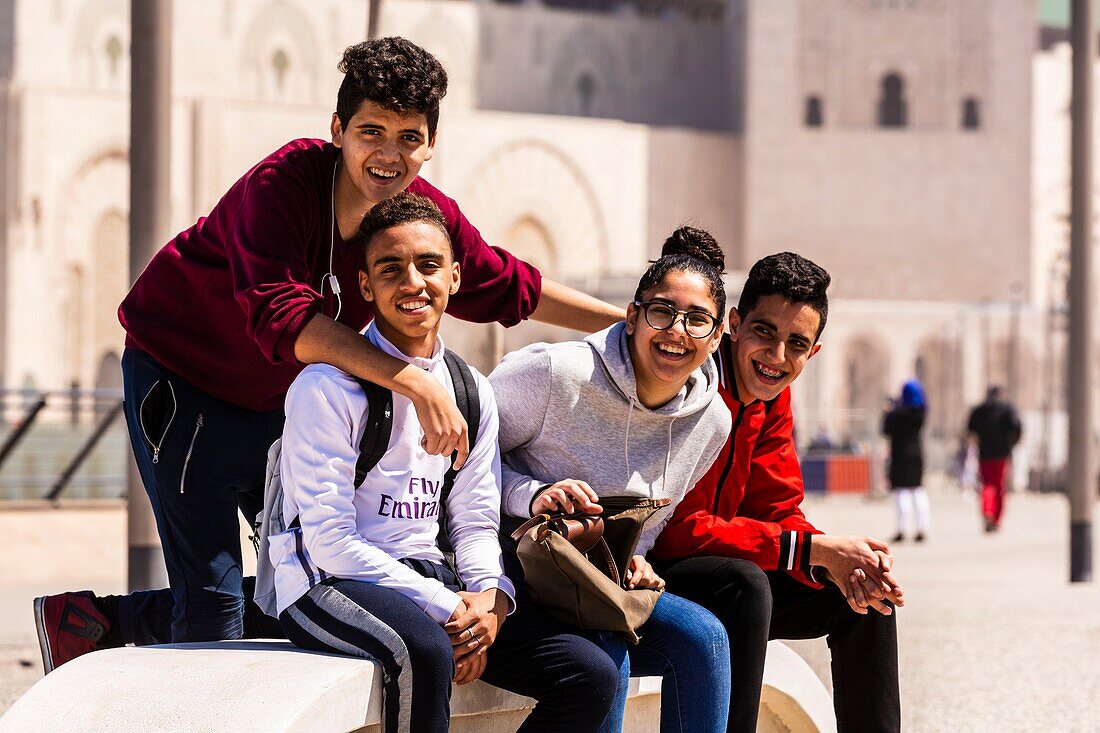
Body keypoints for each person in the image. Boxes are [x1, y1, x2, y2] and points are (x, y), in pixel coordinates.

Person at [33, 37, 621, 673]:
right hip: (185, 384)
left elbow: (509, 284)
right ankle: (114, 640)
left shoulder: (418, 218)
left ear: (430, 145)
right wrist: (418, 386)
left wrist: (634, 324)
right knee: (213, 608)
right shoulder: (281, 186)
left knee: (306, 582)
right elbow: (283, 320)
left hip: (278, 403)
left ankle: (91, 623)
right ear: (339, 129)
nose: (388, 154)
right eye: (372, 131)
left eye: (408, 137)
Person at [270, 194, 618, 733]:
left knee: (588, 675)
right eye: (391, 269)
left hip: (432, 579)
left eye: (429, 265)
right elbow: (329, 543)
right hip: (326, 582)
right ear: (366, 286)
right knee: (427, 652)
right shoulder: (327, 388)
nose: (412, 282)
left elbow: (474, 520)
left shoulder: (471, 389)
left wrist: (489, 601)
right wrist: (448, 609)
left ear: (455, 277)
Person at [490, 227, 734, 733]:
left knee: (707, 639)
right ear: (632, 316)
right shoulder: (553, 374)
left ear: (715, 338)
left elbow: (651, 520)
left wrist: (637, 554)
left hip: (603, 579)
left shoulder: (712, 421)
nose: (676, 331)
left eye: (697, 321)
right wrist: (532, 495)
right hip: (514, 564)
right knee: (609, 658)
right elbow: (458, 463)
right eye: (662, 312)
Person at [651, 252, 904, 733]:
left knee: (863, 595)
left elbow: (778, 508)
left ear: (814, 352)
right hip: (650, 570)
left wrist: (837, 559)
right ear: (734, 324)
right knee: (746, 586)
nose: (777, 357)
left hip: (722, 567)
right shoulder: (696, 386)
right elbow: (673, 529)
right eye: (765, 332)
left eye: (797, 344)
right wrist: (809, 548)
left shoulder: (772, 397)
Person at [966, 385, 1022, 532]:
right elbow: (1017, 427)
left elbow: (970, 429)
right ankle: (996, 518)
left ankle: (987, 511)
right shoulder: (1007, 409)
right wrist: (1012, 443)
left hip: (985, 453)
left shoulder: (980, 410)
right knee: (999, 486)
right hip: (1002, 454)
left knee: (987, 484)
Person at [883, 379, 930, 542]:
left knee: (901, 491)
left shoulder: (898, 413)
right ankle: (921, 528)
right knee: (917, 490)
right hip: (916, 454)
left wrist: (888, 411)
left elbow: (886, 429)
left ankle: (901, 529)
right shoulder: (921, 412)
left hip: (900, 455)